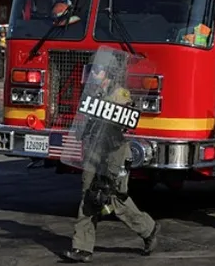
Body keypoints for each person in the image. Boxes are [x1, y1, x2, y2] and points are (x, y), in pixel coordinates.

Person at [62, 63, 160, 263]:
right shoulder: (92, 94)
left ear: (107, 72)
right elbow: (85, 122)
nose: (93, 74)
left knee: (113, 197)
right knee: (89, 194)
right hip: (94, 151)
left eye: (96, 70)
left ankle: (148, 229)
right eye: (90, 70)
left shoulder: (120, 93)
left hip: (114, 152)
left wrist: (109, 113)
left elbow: (126, 121)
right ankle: (82, 247)